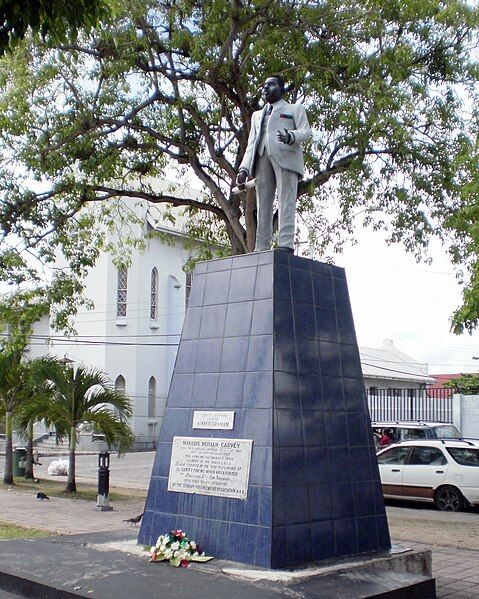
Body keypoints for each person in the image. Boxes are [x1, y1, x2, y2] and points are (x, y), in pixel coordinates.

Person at [236, 75, 311, 253]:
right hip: (262, 158)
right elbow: (252, 143)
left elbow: (306, 132)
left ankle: (285, 244)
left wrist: (291, 136)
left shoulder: (294, 108)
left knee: (286, 201)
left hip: (286, 158)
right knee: (263, 205)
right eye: (264, 86)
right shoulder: (256, 116)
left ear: (281, 88)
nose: (266, 88)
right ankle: (262, 246)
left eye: (271, 85)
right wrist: (244, 169)